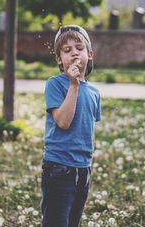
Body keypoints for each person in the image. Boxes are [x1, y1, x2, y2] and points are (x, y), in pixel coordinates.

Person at [41, 25, 101, 227]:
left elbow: (89, 129)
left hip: (83, 169)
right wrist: (73, 85)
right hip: (59, 167)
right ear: (59, 59)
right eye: (67, 51)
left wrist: (89, 161)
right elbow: (63, 122)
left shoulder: (94, 92)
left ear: (89, 54)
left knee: (73, 222)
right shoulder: (55, 84)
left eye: (79, 48)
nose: (74, 52)